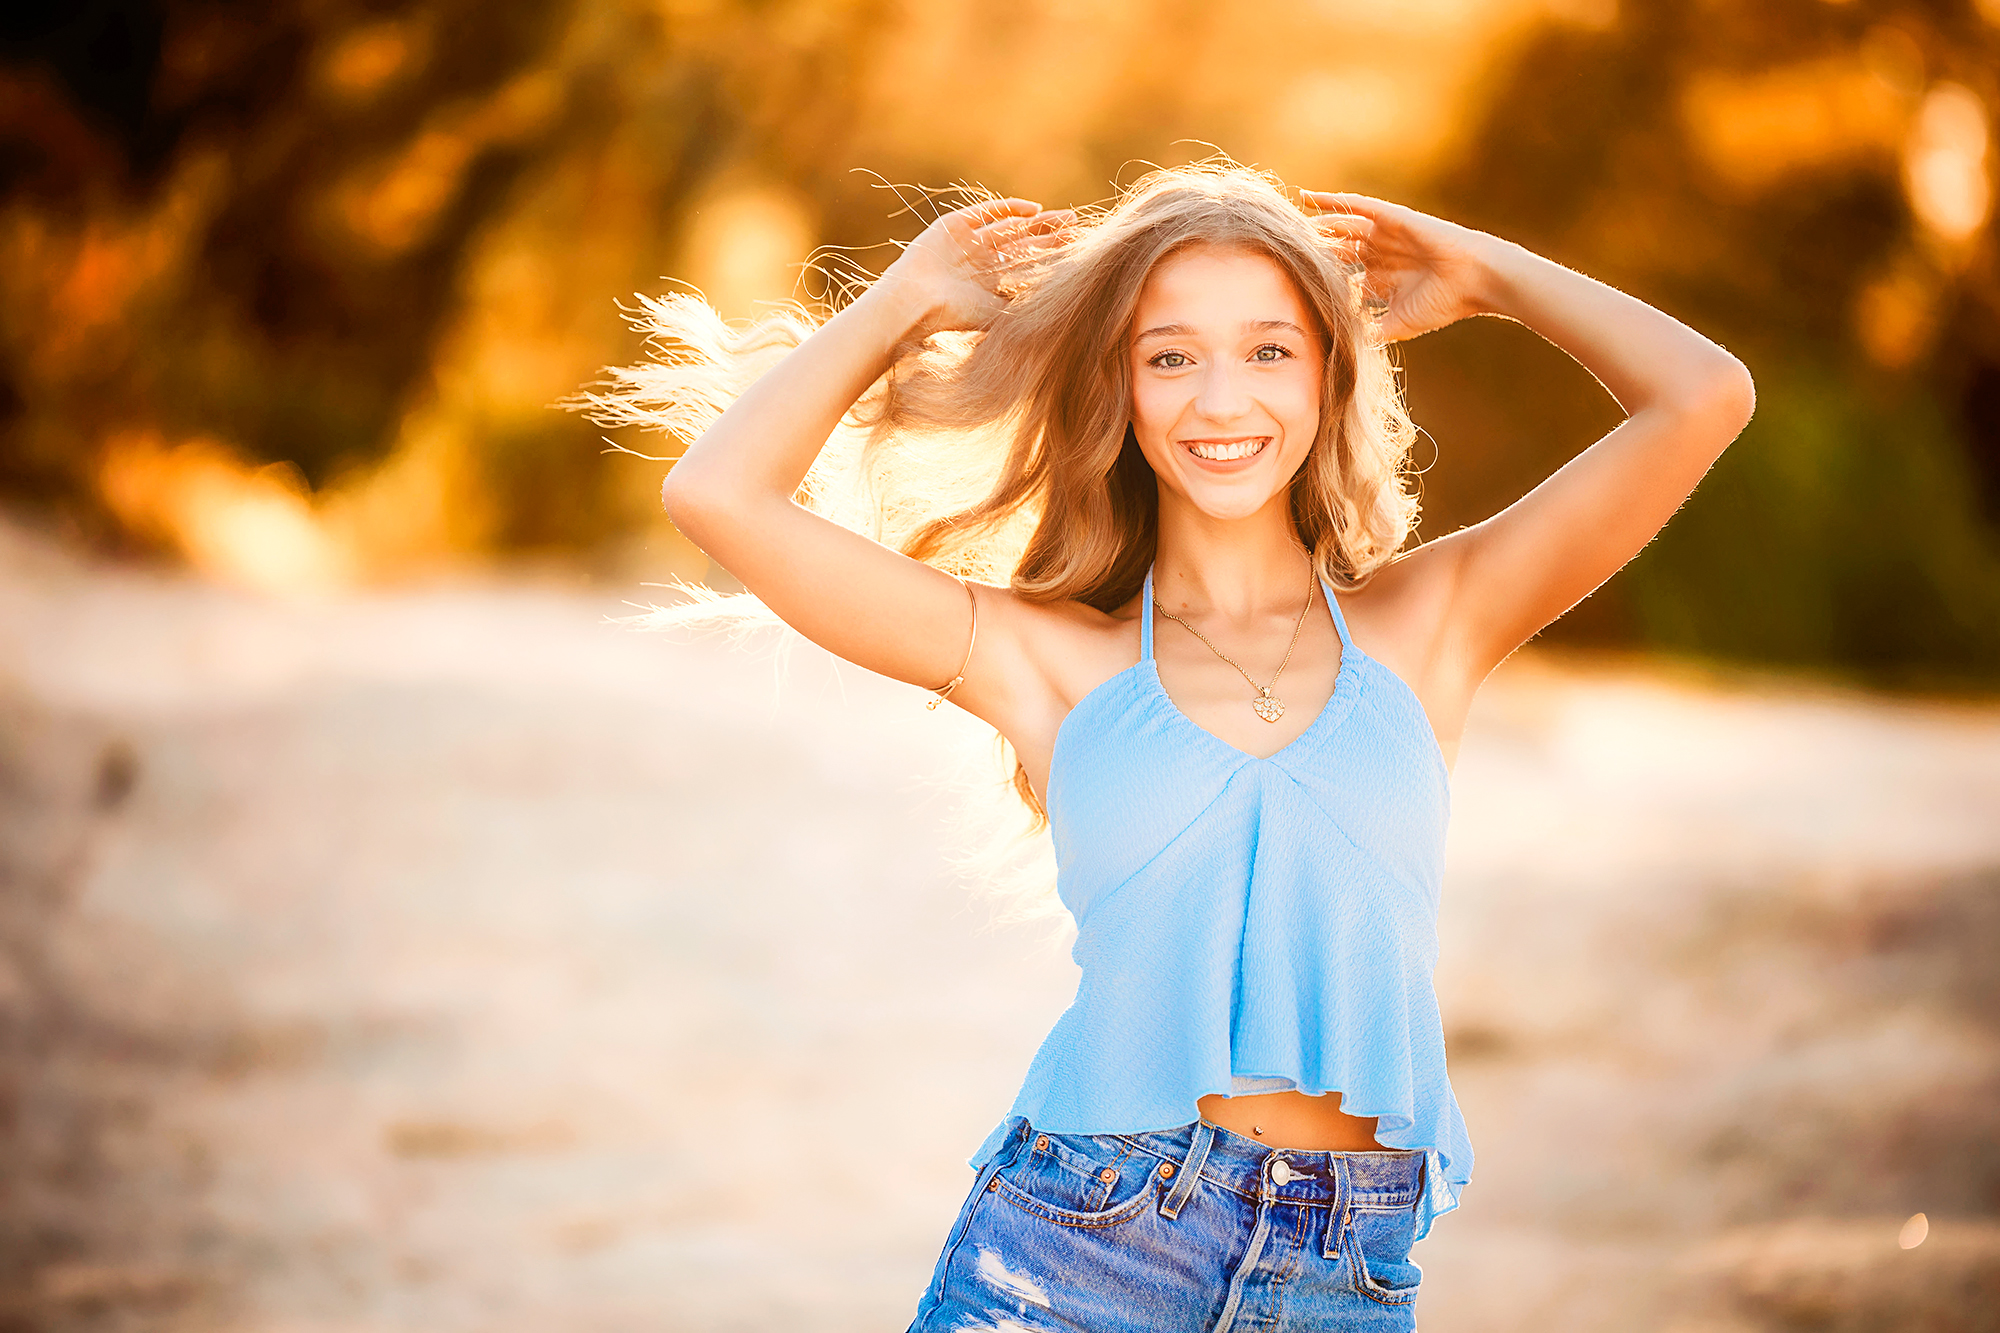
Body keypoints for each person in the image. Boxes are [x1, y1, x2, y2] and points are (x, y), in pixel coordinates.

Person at [600, 162, 1754, 1330]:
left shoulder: (1434, 622)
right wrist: (902, 299)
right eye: (1168, 356)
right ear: (1120, 391)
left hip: (1340, 1270)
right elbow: (719, 495)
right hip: (1077, 1249)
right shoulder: (1045, 658)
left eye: (1267, 350)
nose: (1219, 401)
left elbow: (1702, 397)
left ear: (1327, 377)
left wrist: (1488, 273)